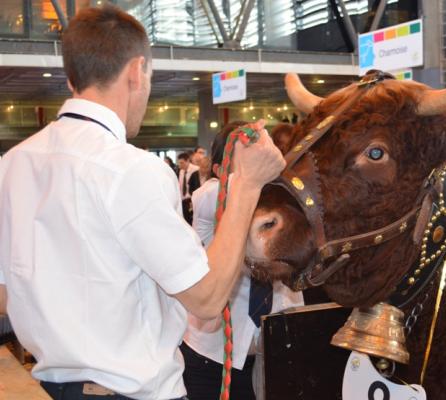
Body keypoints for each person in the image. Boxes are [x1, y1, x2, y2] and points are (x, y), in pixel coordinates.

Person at [0, 6, 285, 400]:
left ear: (71, 78)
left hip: (47, 387)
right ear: (137, 71)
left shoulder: (12, 164)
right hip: (131, 393)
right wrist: (249, 185)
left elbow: (4, 294)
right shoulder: (131, 170)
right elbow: (206, 298)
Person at [182, 121, 303, 400]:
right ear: (217, 171)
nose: (260, 163)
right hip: (212, 359)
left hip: (275, 356)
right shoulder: (208, 197)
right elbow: (243, 191)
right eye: (247, 157)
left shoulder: (282, 198)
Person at [177, 152, 198, 224]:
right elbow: (180, 186)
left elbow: (197, 187)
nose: (180, 165)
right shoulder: (181, 171)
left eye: (182, 163)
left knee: (192, 221)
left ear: (188, 161)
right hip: (183, 200)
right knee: (185, 221)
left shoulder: (196, 170)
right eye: (179, 163)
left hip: (191, 199)